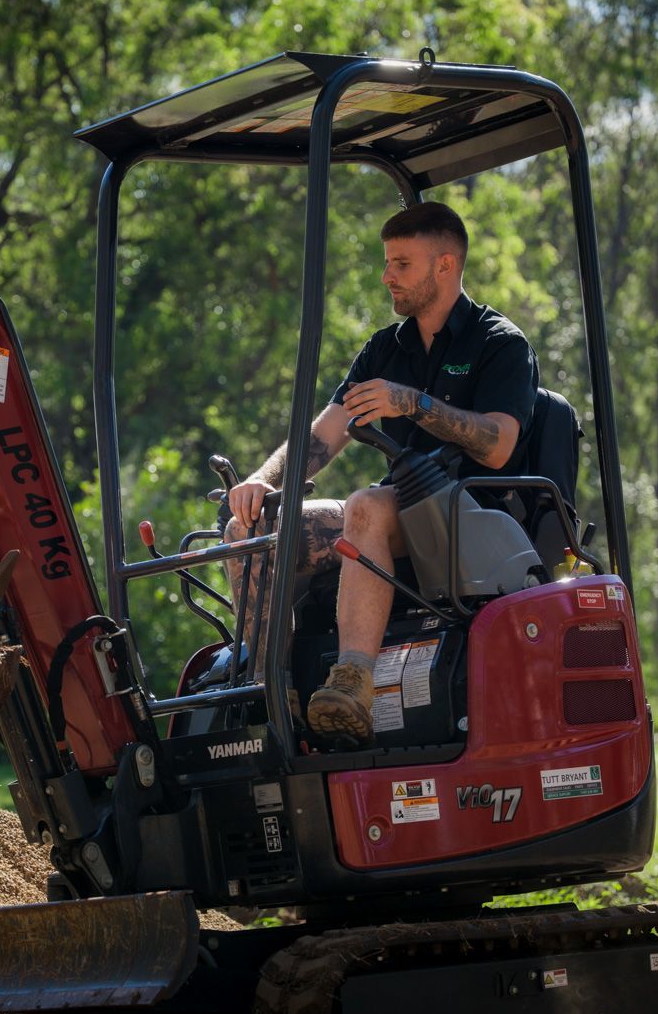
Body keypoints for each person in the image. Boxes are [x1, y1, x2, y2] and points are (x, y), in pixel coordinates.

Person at [223, 200, 538, 748]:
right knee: (252, 532)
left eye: (402, 264)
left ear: (445, 265)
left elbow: (498, 446)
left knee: (366, 504)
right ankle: (272, 694)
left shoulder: (499, 344)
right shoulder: (385, 349)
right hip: (394, 516)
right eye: (386, 263)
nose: (387, 276)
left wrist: (413, 404)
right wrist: (264, 481)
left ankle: (352, 684)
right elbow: (325, 434)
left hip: (474, 519)